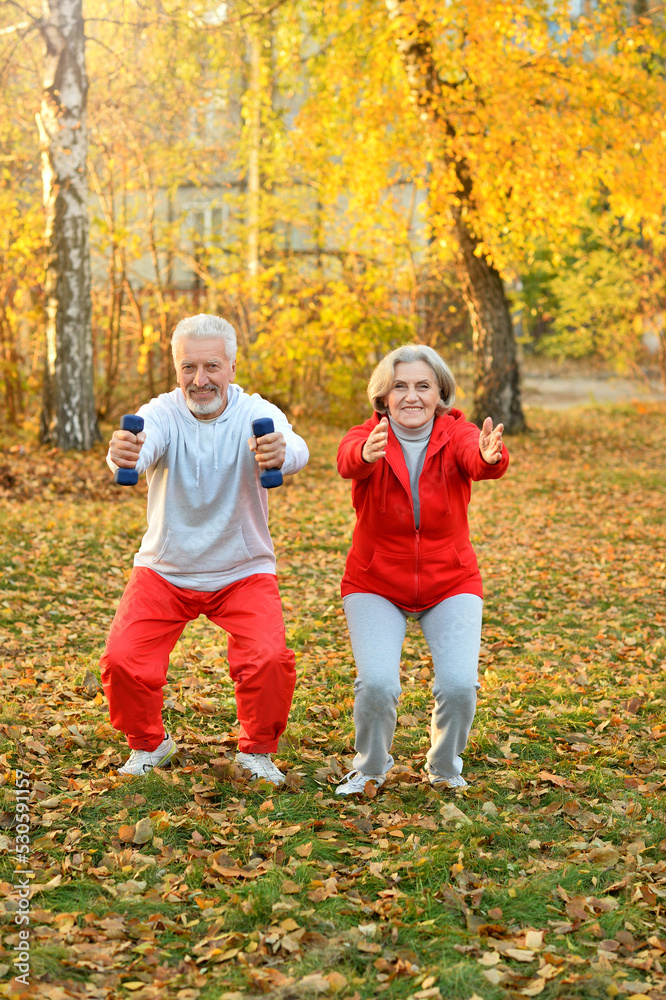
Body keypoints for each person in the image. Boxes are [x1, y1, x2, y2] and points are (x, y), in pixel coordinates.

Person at [100, 314, 309, 783]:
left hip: (242, 568)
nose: (200, 380)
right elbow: (138, 446)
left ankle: (257, 751)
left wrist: (281, 453)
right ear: (176, 369)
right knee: (122, 659)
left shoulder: (257, 413)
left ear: (232, 367)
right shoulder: (161, 413)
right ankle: (149, 744)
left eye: (211, 366)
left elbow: (294, 446)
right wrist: (123, 453)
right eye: (188, 368)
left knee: (269, 658)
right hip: (165, 567)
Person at [335, 344, 508, 796]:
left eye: (422, 386)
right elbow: (346, 458)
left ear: (440, 393)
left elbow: (478, 457)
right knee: (376, 683)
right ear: (383, 396)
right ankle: (371, 767)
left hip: (450, 581)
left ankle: (445, 767)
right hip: (375, 582)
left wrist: (490, 457)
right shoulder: (367, 436)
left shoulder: (458, 434)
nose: (411, 396)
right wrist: (366, 456)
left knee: (458, 686)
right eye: (400, 386)